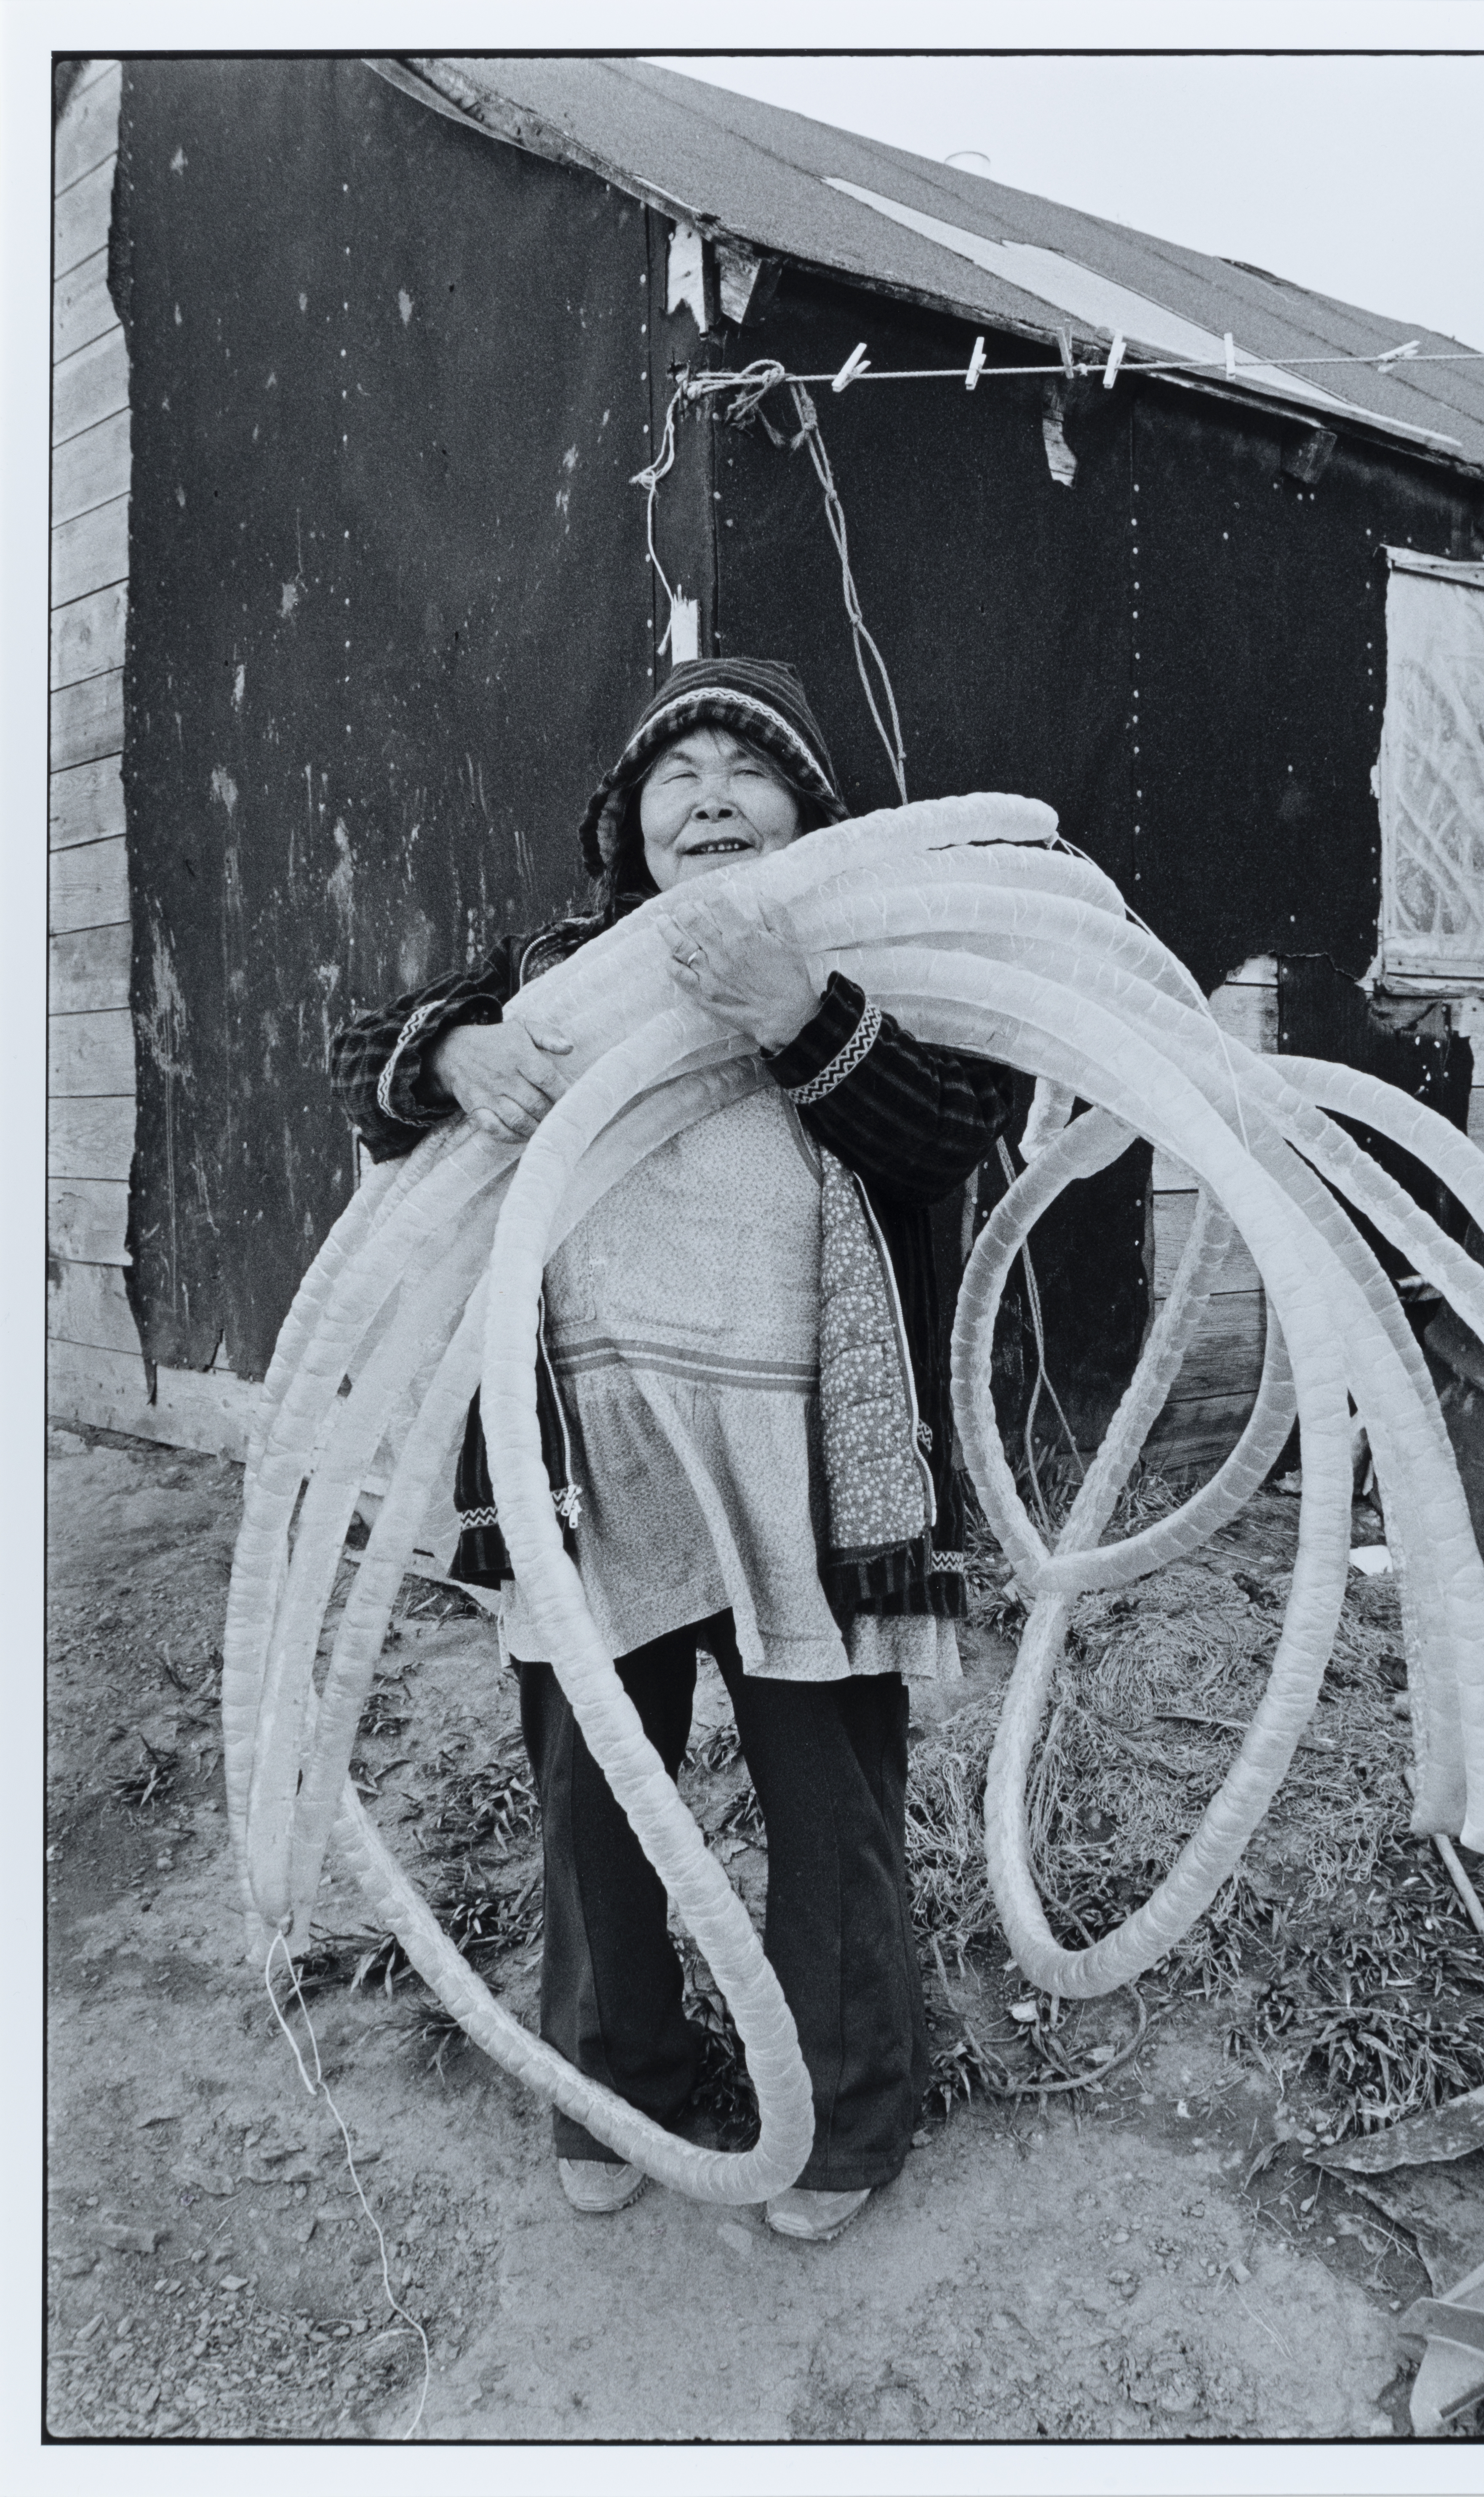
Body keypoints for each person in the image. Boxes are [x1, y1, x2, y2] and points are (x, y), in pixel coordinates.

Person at [331, 657, 1014, 2242]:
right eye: (675, 771)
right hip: (599, 1454)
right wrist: (451, 1054)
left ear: (808, 809)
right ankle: (616, 2085)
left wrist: (800, 1011)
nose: (709, 791)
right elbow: (363, 1056)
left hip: (808, 1461)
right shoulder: (556, 969)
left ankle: (846, 2118)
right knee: (595, 1799)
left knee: (827, 1806)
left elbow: (956, 1126)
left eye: (748, 766)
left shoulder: (882, 957)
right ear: (625, 825)